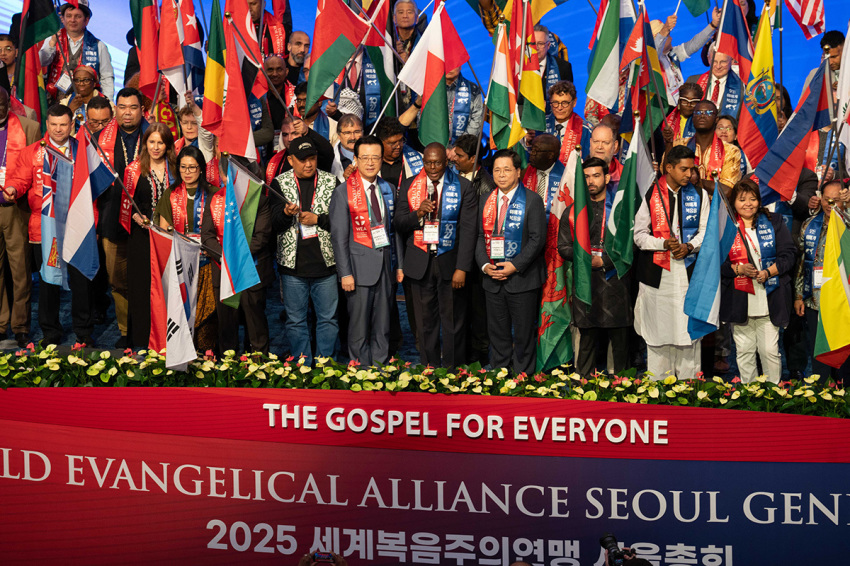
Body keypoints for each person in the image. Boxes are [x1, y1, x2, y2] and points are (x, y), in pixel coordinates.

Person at [394, 143, 476, 368]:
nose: (432, 167)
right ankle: (429, 370)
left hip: (450, 263)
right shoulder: (410, 185)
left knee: (453, 323)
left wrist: (463, 268)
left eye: (437, 162)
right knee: (425, 324)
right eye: (428, 162)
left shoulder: (463, 186)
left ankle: (452, 371)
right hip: (420, 263)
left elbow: (469, 231)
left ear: (446, 162)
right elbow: (399, 223)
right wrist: (418, 213)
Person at [634, 145, 710, 379]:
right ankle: (658, 392)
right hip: (657, 277)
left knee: (688, 337)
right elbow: (638, 235)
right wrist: (662, 244)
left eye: (691, 169)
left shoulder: (700, 194)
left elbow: (706, 232)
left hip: (690, 275)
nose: (690, 174)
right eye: (684, 169)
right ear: (668, 168)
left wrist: (689, 246)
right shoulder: (650, 193)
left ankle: (689, 396)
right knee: (658, 336)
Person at [329, 135, 404, 366]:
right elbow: (339, 237)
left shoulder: (389, 188)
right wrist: (345, 273)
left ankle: (380, 367)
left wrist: (399, 264)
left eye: (375, 158)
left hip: (386, 267)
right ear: (356, 159)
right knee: (359, 326)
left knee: (383, 324)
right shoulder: (343, 192)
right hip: (358, 270)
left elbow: (395, 231)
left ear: (382, 160)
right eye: (365, 158)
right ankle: (359, 369)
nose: (370, 163)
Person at [558, 158, 634, 377]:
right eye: (586, 177)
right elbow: (562, 246)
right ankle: (583, 394)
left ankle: (624, 393)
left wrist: (605, 261)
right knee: (586, 345)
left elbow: (630, 247)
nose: (590, 181)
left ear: (607, 178)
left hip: (616, 284)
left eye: (596, 175)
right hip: (585, 285)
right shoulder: (573, 212)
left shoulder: (620, 210)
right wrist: (584, 258)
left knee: (620, 346)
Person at [475, 150, 546, 375]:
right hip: (492, 279)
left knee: (524, 334)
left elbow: (537, 240)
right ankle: (499, 374)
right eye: (497, 170)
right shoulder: (485, 199)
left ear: (518, 172)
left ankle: (523, 378)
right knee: (497, 333)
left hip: (522, 279)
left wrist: (514, 266)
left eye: (507, 169)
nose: (501, 175)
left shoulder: (532, 200)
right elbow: (478, 237)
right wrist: (486, 266)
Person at [269, 136, 339, 365]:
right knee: (295, 321)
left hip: (326, 265)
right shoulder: (279, 183)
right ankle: (303, 365)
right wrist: (286, 214)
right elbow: (273, 224)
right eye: (302, 160)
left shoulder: (332, 181)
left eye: (312, 158)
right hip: (292, 267)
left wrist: (318, 219)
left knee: (328, 319)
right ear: (290, 160)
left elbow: (341, 221)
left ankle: (326, 366)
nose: (308, 164)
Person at [2, 103, 67, 346]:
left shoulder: (80, 151)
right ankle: (50, 331)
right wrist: (13, 188)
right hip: (43, 227)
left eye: (63, 124)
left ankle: (84, 330)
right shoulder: (32, 151)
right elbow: (19, 178)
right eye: (54, 125)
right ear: (47, 125)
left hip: (74, 227)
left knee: (81, 280)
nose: (58, 129)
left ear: (71, 125)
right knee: (48, 279)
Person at [720, 179, 797, 384]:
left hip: (770, 297)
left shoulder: (775, 221)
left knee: (770, 351)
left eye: (753, 199)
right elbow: (715, 263)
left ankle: (772, 395)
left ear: (759, 200)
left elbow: (789, 254)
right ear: (733, 202)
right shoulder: (725, 226)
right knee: (744, 352)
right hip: (739, 299)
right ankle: (749, 397)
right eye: (742, 199)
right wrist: (738, 269)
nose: (748, 204)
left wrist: (769, 272)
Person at [201, 157, 274, 355]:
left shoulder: (259, 199)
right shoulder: (215, 198)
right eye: (228, 174)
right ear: (222, 176)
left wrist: (232, 256)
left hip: (252, 269)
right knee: (226, 325)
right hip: (223, 270)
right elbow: (206, 236)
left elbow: (261, 237)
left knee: (255, 323)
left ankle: (258, 366)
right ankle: (227, 369)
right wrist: (225, 258)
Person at [95, 87, 149, 348]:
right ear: (115, 109)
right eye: (123, 107)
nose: (127, 113)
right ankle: (126, 330)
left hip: (147, 223)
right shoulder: (97, 140)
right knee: (117, 280)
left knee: (147, 279)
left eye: (133, 107)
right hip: (111, 219)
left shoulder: (155, 136)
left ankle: (148, 329)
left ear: (142, 110)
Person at [155, 146, 218, 353]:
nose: (188, 172)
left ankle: (207, 361)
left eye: (192, 167)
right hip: (180, 267)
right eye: (183, 167)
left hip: (209, 265)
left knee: (207, 317)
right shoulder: (170, 194)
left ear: (201, 169)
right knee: (182, 315)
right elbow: (163, 233)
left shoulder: (214, 194)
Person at [124, 123, 177, 348]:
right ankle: (141, 339)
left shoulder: (176, 168)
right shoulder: (134, 169)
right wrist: (136, 216)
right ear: (145, 144)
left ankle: (168, 337)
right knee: (142, 287)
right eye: (151, 142)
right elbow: (127, 203)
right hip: (142, 237)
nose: (156, 147)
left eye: (160, 142)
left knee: (169, 286)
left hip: (171, 237)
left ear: (167, 146)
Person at [794, 181, 850, 380]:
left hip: (842, 300)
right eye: (827, 199)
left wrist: (849, 207)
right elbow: (801, 262)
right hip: (814, 299)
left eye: (837, 199)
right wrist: (798, 295)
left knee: (842, 351)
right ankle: (821, 397)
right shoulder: (810, 224)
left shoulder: (847, 223)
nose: (831, 203)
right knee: (818, 352)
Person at [0, 87, 39, 347]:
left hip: (15, 208)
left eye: (2, 104)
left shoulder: (29, 127)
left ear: (9, 103)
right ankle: (1, 323)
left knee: (20, 270)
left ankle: (21, 325)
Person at [453, 133, 494, 364]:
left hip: (478, 261)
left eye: (459, 155)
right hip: (458, 253)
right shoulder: (455, 176)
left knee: (479, 310)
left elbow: (480, 226)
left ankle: (478, 357)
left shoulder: (485, 185)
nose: (454, 158)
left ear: (473, 158)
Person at [40, 0, 115, 100]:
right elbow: (42, 61)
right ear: (62, 19)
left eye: (78, 16)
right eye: (69, 16)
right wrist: (52, 42)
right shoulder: (53, 39)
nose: (72, 20)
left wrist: (107, 102)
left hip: (87, 105)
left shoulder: (99, 46)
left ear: (86, 20)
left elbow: (107, 78)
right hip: (56, 104)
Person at [651, 8, 720, 104]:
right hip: (661, 111)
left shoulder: (671, 55)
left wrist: (713, 25)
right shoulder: (649, 62)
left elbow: (693, 44)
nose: (670, 37)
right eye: (667, 34)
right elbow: (653, 52)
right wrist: (665, 29)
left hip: (678, 108)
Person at [680, 100, 742, 197]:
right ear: (693, 117)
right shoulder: (680, 144)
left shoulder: (731, 150)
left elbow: (727, 191)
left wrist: (698, 181)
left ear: (716, 119)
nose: (702, 116)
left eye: (708, 113)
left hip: (715, 209)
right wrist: (668, 144)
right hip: (684, 206)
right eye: (698, 112)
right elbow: (667, 175)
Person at [547, 81, 591, 165]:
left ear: (574, 102)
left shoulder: (585, 130)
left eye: (564, 103)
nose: (559, 108)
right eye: (555, 103)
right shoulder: (542, 126)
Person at [532, 25, 574, 109]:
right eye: (533, 43)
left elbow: (568, 100)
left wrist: (548, 106)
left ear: (548, 46)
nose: (536, 48)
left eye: (540, 44)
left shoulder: (563, 67)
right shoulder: (518, 67)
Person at [522, 134, 566, 213]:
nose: (532, 154)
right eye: (532, 150)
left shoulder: (565, 176)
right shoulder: (524, 172)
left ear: (550, 155)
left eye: (536, 151)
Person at [693, 49, 742, 118]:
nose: (718, 66)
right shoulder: (693, 81)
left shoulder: (742, 87)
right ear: (708, 59)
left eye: (723, 62)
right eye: (714, 61)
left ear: (732, 60)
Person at [60, 64, 109, 133]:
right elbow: (59, 130)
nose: (81, 84)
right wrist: (70, 110)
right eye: (77, 80)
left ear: (94, 83)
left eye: (86, 80)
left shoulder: (106, 103)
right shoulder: (64, 103)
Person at [445, 67, 483, 145]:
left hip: (463, 148)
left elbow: (477, 119)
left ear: (460, 66)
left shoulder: (472, 89)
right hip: (433, 148)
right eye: (447, 62)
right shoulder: (431, 87)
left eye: (453, 63)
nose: (450, 67)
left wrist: (461, 146)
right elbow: (423, 118)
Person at [662, 82, 703, 147]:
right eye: (684, 100)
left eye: (694, 102)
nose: (689, 105)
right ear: (679, 102)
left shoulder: (703, 121)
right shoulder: (666, 117)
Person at [332, 114, 362, 182]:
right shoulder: (331, 158)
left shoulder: (373, 153)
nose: (352, 137)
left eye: (357, 132)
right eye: (347, 133)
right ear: (339, 135)